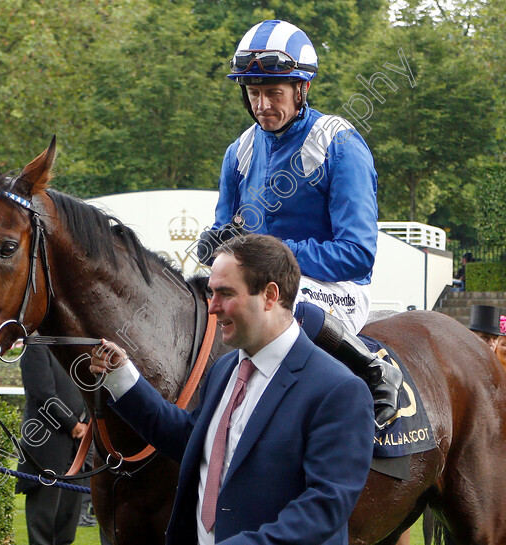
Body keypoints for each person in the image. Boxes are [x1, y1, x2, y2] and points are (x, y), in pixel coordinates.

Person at [92, 234, 374, 545]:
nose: (212, 307)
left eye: (225, 294)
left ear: (269, 295)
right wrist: (121, 378)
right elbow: (191, 439)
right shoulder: (225, 370)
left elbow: (324, 508)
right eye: (211, 293)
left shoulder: (339, 390)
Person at [195, 19, 402, 428]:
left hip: (332, 290)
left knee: (286, 306)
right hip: (256, 284)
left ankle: (376, 371)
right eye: (254, 93)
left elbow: (357, 255)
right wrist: (216, 244)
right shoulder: (238, 151)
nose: (262, 105)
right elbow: (227, 235)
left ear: (301, 90)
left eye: (274, 93)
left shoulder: (340, 144)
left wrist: (271, 254)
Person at [15, 344, 88, 545]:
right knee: (43, 525)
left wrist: (87, 425)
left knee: (67, 525)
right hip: (47, 448)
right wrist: (73, 425)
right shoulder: (36, 347)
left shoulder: (74, 347)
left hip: (76, 451)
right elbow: (42, 394)